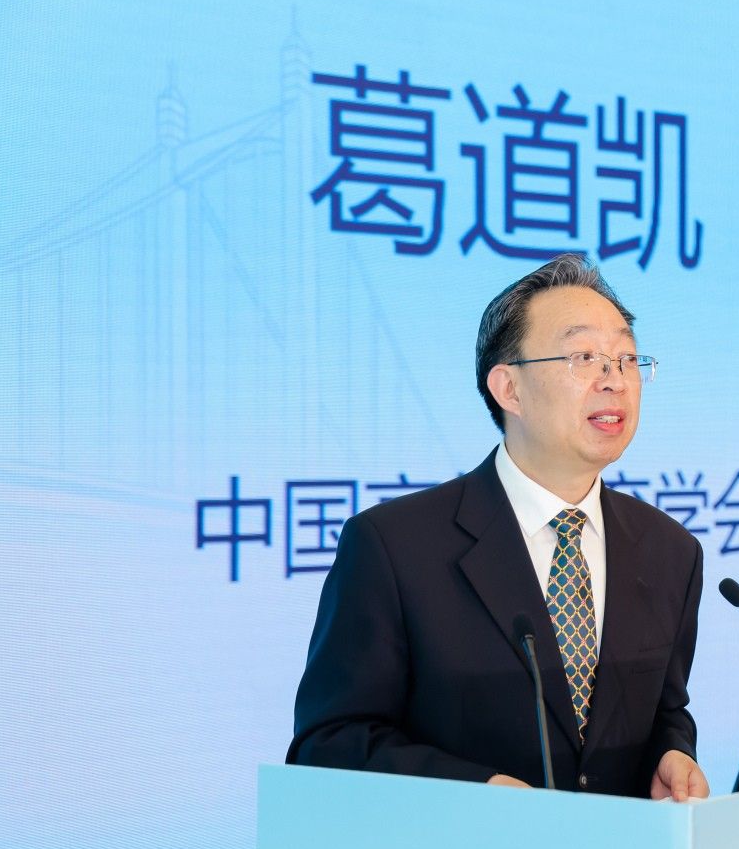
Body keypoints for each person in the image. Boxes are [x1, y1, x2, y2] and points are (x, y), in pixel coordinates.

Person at [286, 254, 710, 801]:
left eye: (627, 359)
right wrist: (478, 792)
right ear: (509, 389)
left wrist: (673, 753)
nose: (615, 381)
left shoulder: (670, 551)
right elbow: (329, 744)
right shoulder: (394, 548)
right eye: (584, 357)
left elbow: (664, 711)